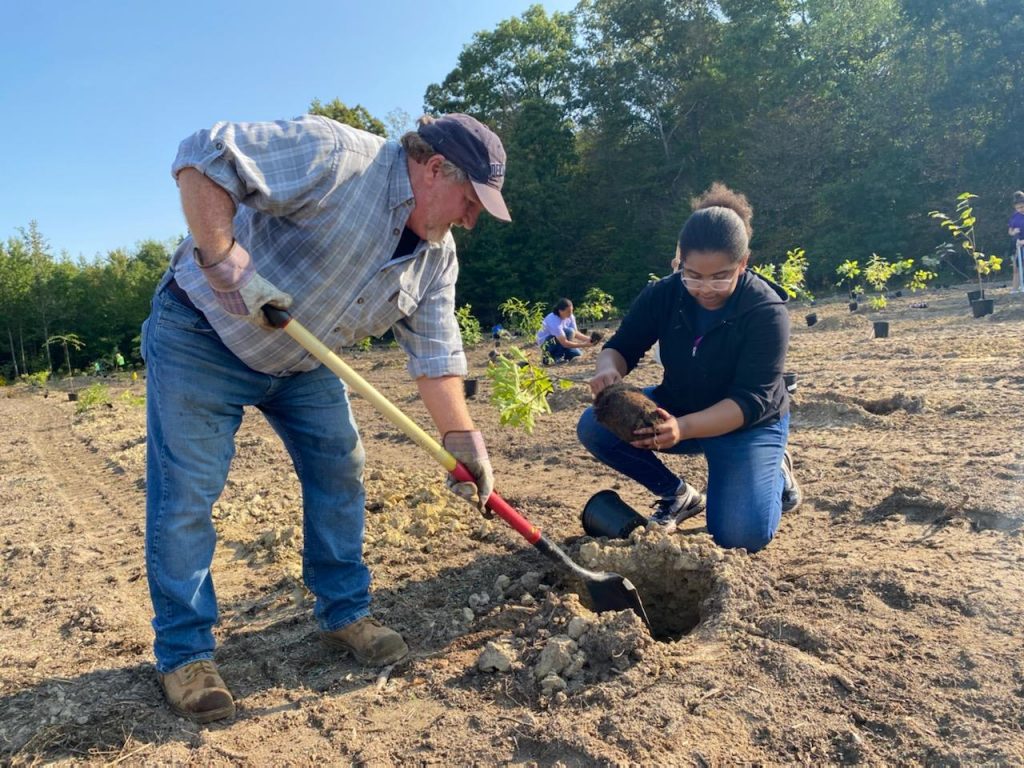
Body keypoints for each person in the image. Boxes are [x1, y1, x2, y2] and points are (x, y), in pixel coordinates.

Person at [141, 112, 511, 723]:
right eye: (471, 200)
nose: (471, 220)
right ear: (435, 167)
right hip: (202, 335)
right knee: (187, 493)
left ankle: (346, 613)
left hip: (304, 358)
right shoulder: (338, 156)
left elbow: (436, 352)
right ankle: (185, 653)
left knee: (341, 469)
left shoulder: (435, 258)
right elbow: (202, 156)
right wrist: (225, 258)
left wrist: (461, 437)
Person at [576, 182, 800, 553]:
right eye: (692, 274)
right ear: (679, 261)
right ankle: (677, 495)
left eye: (721, 276)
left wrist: (683, 427)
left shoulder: (765, 312)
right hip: (680, 407)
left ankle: (774, 468)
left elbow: (749, 401)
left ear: (743, 265)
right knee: (595, 423)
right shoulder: (664, 294)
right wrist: (608, 369)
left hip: (747, 424)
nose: (705, 288)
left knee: (740, 536)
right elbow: (622, 346)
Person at [535, 298, 595, 364]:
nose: (570, 313)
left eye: (571, 311)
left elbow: (575, 333)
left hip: (561, 343)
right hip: (547, 344)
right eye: (568, 311)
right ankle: (555, 357)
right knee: (569, 332)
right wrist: (584, 345)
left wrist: (590, 339)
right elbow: (564, 343)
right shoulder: (553, 320)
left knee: (577, 354)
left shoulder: (570, 317)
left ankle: (554, 358)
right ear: (560, 311)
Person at [1008, 191, 1024, 294]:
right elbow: (1010, 231)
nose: (1021, 209)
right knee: (1017, 267)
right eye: (1018, 208)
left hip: (1022, 243)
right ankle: (1015, 288)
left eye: (1023, 206)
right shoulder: (1015, 216)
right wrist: (1013, 232)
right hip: (1017, 245)